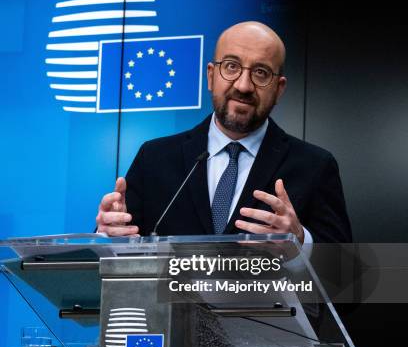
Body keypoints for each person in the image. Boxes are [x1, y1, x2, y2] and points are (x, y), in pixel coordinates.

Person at [96, 21, 352, 243]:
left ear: (279, 89)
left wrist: (300, 241)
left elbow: (343, 278)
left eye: (261, 73)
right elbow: (115, 248)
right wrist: (107, 233)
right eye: (231, 66)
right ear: (210, 76)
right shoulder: (154, 158)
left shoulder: (314, 166)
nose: (243, 85)